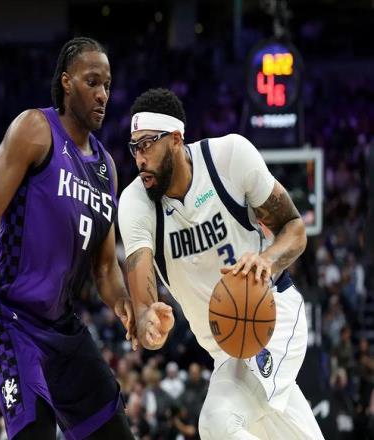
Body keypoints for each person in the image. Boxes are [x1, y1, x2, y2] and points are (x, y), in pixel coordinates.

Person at [0, 37, 135, 440]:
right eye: (92, 82)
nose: (102, 94)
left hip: (61, 326)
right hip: (7, 317)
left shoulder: (106, 168)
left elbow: (104, 267)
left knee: (116, 432)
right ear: (66, 82)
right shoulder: (35, 129)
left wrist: (125, 304)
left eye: (107, 85)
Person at [118, 88, 325, 439]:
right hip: (227, 349)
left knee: (217, 420)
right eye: (134, 147)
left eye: (147, 144)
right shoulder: (136, 202)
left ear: (176, 139)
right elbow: (142, 298)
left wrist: (266, 261)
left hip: (271, 317)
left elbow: (294, 228)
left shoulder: (229, 158)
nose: (139, 158)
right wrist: (148, 321)